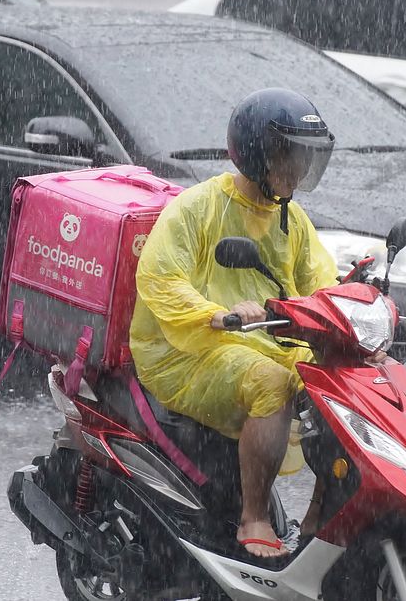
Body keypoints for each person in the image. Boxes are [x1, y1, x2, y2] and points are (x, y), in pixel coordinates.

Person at [130, 88, 380, 558]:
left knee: (340, 389)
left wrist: (356, 326)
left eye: (307, 156)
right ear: (256, 153)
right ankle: (254, 518)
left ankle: (320, 517)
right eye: (291, 155)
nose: (300, 169)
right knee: (272, 382)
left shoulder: (291, 219)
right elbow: (162, 280)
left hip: (262, 342)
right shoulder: (197, 208)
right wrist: (216, 314)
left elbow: (320, 285)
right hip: (187, 349)